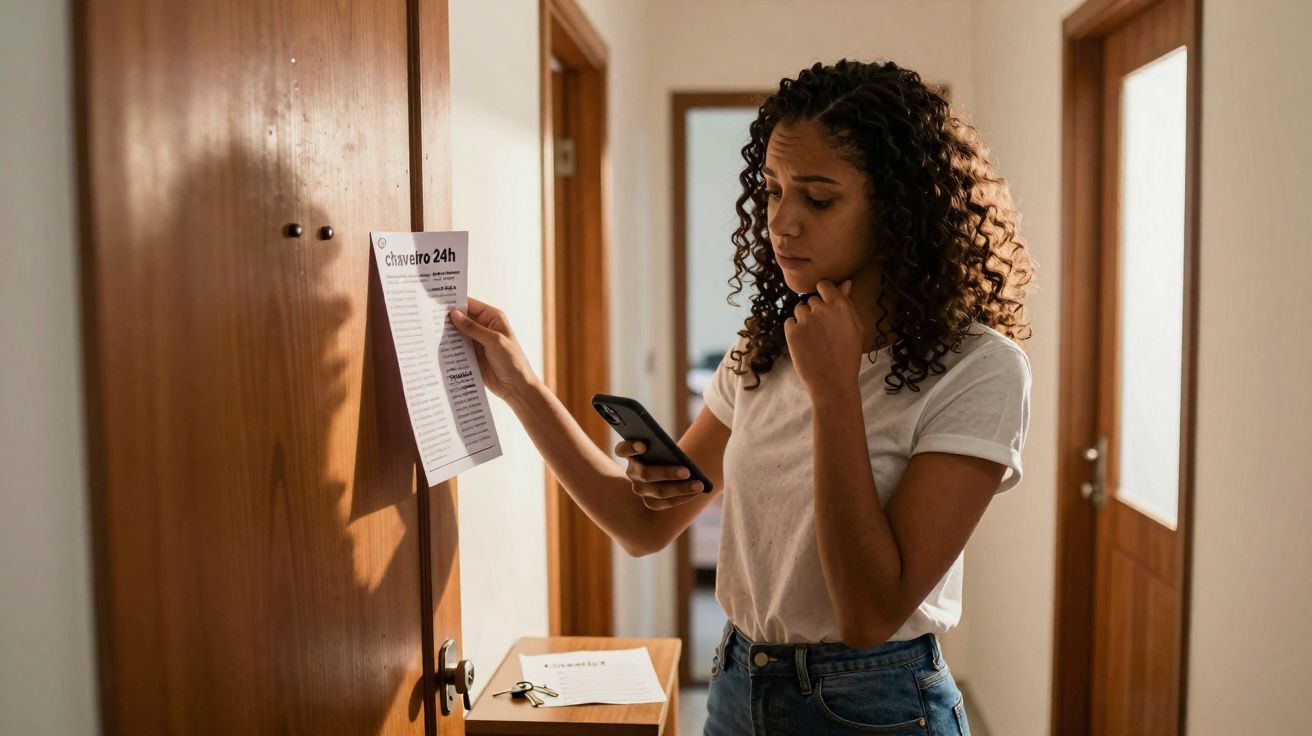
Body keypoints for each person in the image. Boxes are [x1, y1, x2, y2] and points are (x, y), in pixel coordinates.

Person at [450, 58, 1032, 736]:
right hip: (738, 688)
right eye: (772, 189)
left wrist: (835, 392)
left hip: (878, 707)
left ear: (901, 210)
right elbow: (642, 524)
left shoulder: (980, 369)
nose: (781, 223)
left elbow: (871, 613)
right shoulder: (764, 348)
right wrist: (520, 386)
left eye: (817, 199)